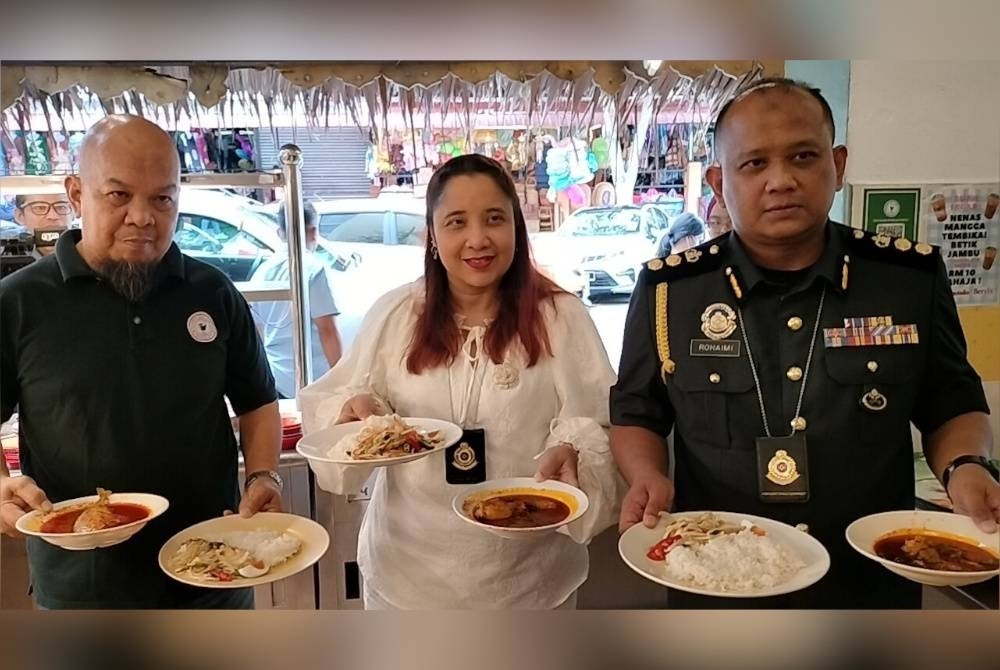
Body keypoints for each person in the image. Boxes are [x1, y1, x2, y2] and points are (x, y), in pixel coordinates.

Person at [610, 78, 998, 609]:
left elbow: (952, 401)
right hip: (716, 577)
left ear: (837, 165)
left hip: (866, 581)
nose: (781, 180)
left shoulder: (908, 278)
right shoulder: (669, 291)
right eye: (754, 164)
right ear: (720, 182)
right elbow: (637, 412)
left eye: (803, 156)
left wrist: (964, 467)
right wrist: (647, 474)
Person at [299, 154, 624, 609]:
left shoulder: (561, 317)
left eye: (494, 219)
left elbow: (600, 418)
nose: (478, 239)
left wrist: (573, 450)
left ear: (516, 228)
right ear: (432, 236)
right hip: (407, 578)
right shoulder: (397, 314)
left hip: (528, 585)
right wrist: (355, 416)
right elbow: (336, 403)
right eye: (456, 222)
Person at [0, 115, 283, 609]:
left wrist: (263, 475)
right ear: (75, 193)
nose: (142, 216)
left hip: (213, 576)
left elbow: (258, 401)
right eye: (118, 195)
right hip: (81, 591)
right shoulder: (19, 302)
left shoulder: (212, 292)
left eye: (162, 198)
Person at [250, 201, 343, 398]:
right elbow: (327, 330)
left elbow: (257, 332)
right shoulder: (313, 269)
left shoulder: (262, 271)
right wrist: (342, 381)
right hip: (311, 379)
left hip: (275, 379)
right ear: (314, 231)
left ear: (280, 232)